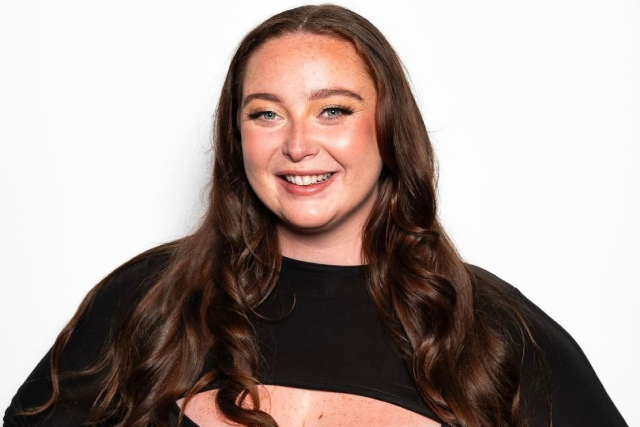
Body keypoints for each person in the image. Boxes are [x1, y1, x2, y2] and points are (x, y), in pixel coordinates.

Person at [3, 4, 628, 427]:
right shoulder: (148, 300)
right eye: (266, 113)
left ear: (388, 127)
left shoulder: (491, 329)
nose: (298, 145)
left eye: (333, 110)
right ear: (236, 138)